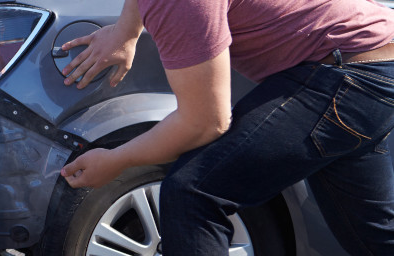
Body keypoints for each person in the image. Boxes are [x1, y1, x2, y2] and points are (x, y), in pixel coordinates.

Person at [58, 0, 394, 254]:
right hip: (372, 62)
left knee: (194, 193)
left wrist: (115, 161)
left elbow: (205, 123)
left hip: (351, 74)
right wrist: (126, 31)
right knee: (374, 238)